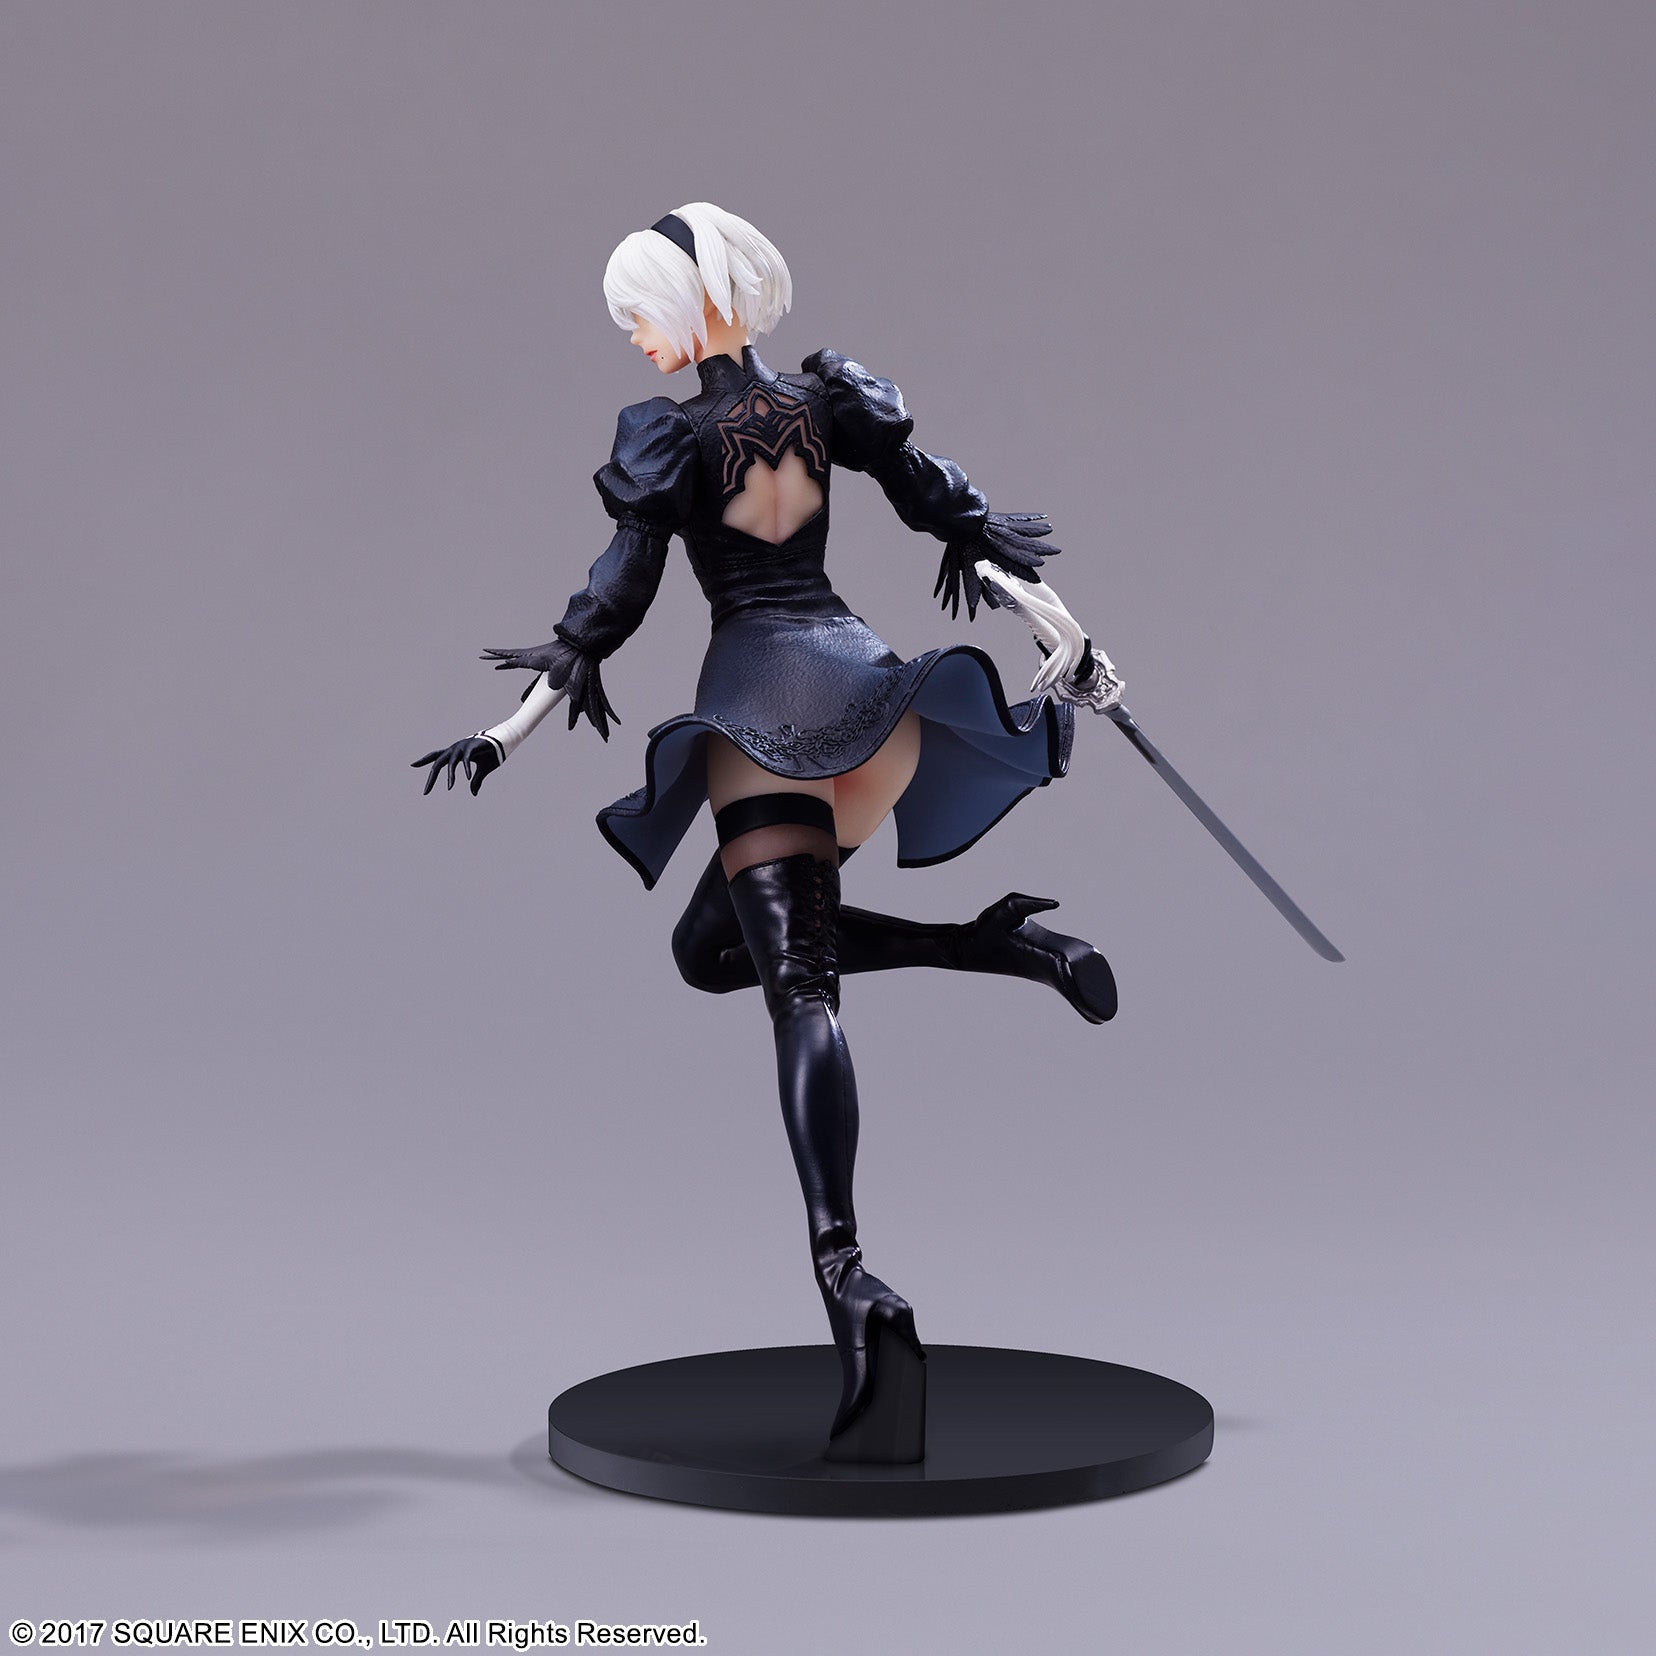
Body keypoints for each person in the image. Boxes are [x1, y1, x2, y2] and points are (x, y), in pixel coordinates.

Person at [415, 203, 1117, 1463]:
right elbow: (955, 517)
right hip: (873, 701)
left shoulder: (672, 436)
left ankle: (850, 1279)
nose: (634, 338)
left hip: (765, 707)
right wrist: (1066, 633)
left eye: (637, 314)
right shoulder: (828, 399)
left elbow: (612, 600)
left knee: (798, 988)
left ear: (686, 306)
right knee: (712, 951)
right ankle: (999, 946)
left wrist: (505, 731)